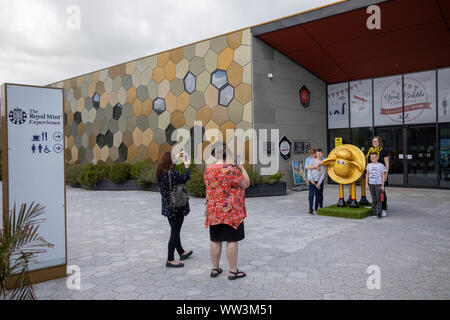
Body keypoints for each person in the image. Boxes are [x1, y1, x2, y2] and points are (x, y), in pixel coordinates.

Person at [204, 144, 250, 280]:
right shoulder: (232, 170)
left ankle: (215, 268)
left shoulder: (208, 170)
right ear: (228, 156)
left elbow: (208, 185)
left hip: (214, 211)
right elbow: (246, 183)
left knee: (215, 240)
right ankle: (233, 271)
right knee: (232, 240)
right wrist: (241, 167)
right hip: (231, 212)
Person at [157, 151, 193, 268]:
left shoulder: (160, 172)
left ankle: (181, 252)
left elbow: (171, 170)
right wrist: (187, 166)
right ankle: (170, 259)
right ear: (170, 162)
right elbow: (186, 178)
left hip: (168, 206)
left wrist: (176, 157)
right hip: (176, 207)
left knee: (175, 229)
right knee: (175, 232)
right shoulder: (171, 173)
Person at [366, 136, 389, 216]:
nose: (374, 143)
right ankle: (376, 209)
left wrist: (385, 175)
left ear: (379, 142)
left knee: (382, 192)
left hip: (381, 174)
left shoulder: (384, 150)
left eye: (376, 141)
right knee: (375, 194)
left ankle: (382, 209)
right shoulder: (370, 150)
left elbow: (387, 164)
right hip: (372, 175)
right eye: (373, 141)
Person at [365, 152, 387, 219]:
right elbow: (367, 175)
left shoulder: (381, 165)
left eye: (374, 157)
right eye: (371, 157)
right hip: (371, 184)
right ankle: (373, 211)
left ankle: (379, 212)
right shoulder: (369, 165)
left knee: (379, 199)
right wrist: (366, 184)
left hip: (378, 184)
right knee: (374, 199)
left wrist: (382, 185)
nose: (373, 158)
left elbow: (383, 175)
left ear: (377, 158)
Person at [308, 149, 326, 214]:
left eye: (319, 154)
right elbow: (309, 170)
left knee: (318, 195)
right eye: (317, 154)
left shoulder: (324, 163)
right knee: (311, 195)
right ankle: (310, 209)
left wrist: (319, 182)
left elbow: (323, 174)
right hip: (312, 181)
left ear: (322, 154)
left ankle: (316, 208)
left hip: (319, 182)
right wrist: (311, 179)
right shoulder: (312, 161)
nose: (318, 155)